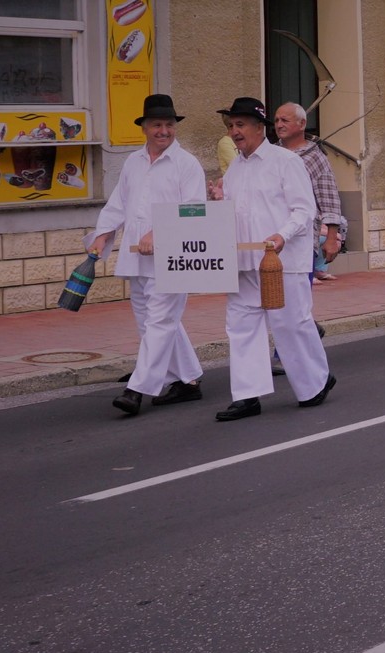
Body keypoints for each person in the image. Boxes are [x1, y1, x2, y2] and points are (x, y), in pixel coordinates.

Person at [210, 97, 333, 420]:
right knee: (241, 325)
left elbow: (304, 209)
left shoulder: (285, 161)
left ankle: (315, 383)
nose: (234, 132)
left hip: (283, 260)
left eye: (240, 125)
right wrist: (220, 200)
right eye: (231, 126)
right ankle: (248, 395)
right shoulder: (236, 167)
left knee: (290, 323)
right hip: (245, 262)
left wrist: (282, 235)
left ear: (258, 127)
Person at [87, 94, 206, 416]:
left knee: (159, 321)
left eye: (169, 125)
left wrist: (160, 232)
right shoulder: (133, 162)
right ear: (144, 128)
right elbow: (119, 204)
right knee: (153, 322)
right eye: (157, 125)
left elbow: (194, 210)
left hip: (173, 258)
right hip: (136, 256)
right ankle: (188, 380)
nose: (164, 131)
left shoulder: (187, 164)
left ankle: (137, 389)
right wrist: (102, 235)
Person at [274, 102, 343, 282]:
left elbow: (329, 198)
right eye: (276, 121)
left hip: (300, 242)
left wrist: (330, 238)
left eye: (285, 120)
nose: (279, 125)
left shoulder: (314, 156)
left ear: (302, 124)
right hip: (271, 237)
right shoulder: (270, 153)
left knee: (296, 300)